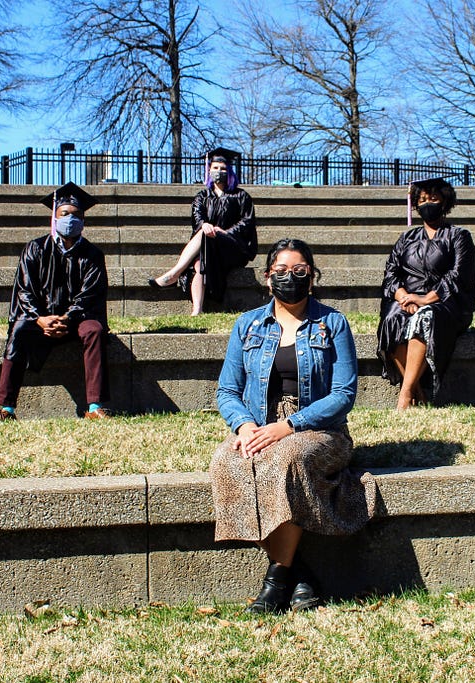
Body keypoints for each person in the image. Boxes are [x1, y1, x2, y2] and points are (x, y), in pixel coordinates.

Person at [211, 238, 377, 614]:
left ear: (312, 277)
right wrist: (243, 426)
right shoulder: (247, 324)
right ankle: (299, 574)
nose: (290, 277)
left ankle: (274, 582)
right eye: (281, 271)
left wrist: (290, 425)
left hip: (320, 430)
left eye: (299, 270)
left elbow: (343, 394)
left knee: (285, 460)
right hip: (259, 427)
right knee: (226, 463)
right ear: (267, 279)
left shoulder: (332, 323)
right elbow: (227, 389)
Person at [0, 182, 111, 421]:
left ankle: (95, 407)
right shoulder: (35, 249)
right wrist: (40, 319)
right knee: (18, 329)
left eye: (77, 215)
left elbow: (89, 295)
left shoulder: (93, 255)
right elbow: (24, 291)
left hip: (77, 319)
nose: (71, 219)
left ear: (84, 221)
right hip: (40, 319)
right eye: (65, 214)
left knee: (94, 331)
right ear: (54, 217)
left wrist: (66, 318)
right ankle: (6, 408)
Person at [376, 177, 475, 410]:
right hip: (406, 299)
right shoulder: (407, 238)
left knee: (426, 317)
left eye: (433, 198)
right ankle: (417, 392)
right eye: (422, 200)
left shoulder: (458, 236)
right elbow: (391, 273)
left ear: (445, 202)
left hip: (445, 303)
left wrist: (425, 299)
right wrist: (403, 296)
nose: (427, 203)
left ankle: (404, 396)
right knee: (391, 320)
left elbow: (458, 276)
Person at [148, 147, 257, 315]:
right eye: (215, 168)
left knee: (206, 237)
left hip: (233, 247)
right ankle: (197, 310)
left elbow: (247, 222)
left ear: (229, 171)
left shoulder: (241, 196)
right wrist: (205, 225)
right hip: (208, 245)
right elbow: (197, 219)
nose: (219, 171)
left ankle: (174, 273)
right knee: (199, 261)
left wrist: (225, 232)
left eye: (223, 168)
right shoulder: (202, 197)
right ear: (209, 170)